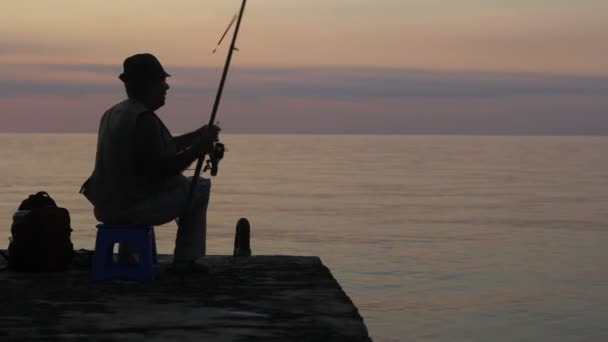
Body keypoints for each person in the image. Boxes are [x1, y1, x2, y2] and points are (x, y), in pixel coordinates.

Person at [80, 53, 220, 273]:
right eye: (161, 81)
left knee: (149, 189)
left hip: (106, 207)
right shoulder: (144, 118)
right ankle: (186, 260)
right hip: (131, 209)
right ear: (147, 85)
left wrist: (196, 136)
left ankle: (130, 255)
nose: (166, 87)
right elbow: (161, 170)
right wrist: (199, 149)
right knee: (200, 188)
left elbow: (159, 149)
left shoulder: (114, 113)